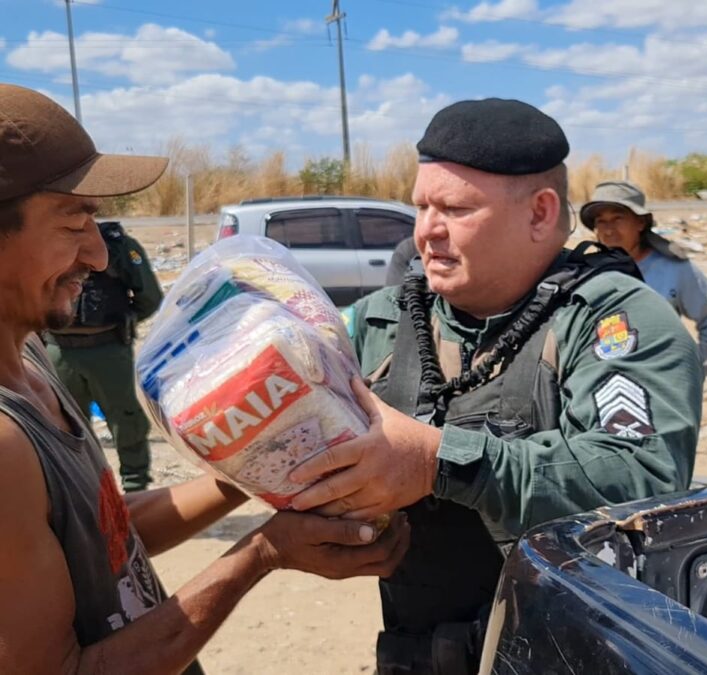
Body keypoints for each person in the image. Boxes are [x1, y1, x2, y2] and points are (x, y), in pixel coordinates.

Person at [0, 83, 409, 673]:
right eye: (72, 225)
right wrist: (263, 553)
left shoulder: (30, 356)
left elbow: (104, 532)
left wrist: (259, 462)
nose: (96, 255)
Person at [286, 98, 704, 674]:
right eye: (421, 206)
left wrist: (441, 463)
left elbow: (639, 476)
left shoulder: (614, 321)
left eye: (455, 209)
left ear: (539, 213)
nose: (427, 231)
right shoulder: (383, 320)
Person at [45, 220, 162, 492]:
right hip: (80, 352)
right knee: (72, 426)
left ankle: (128, 490)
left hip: (89, 351)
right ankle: (120, 489)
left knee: (119, 421)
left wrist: (123, 321)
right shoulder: (108, 245)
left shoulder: (116, 246)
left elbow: (149, 298)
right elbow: (151, 299)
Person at [581, 180, 707, 375]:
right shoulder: (587, 274)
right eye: (601, 221)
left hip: (659, 390)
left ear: (640, 222)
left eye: (618, 218)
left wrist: (693, 372)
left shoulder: (674, 268)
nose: (609, 230)